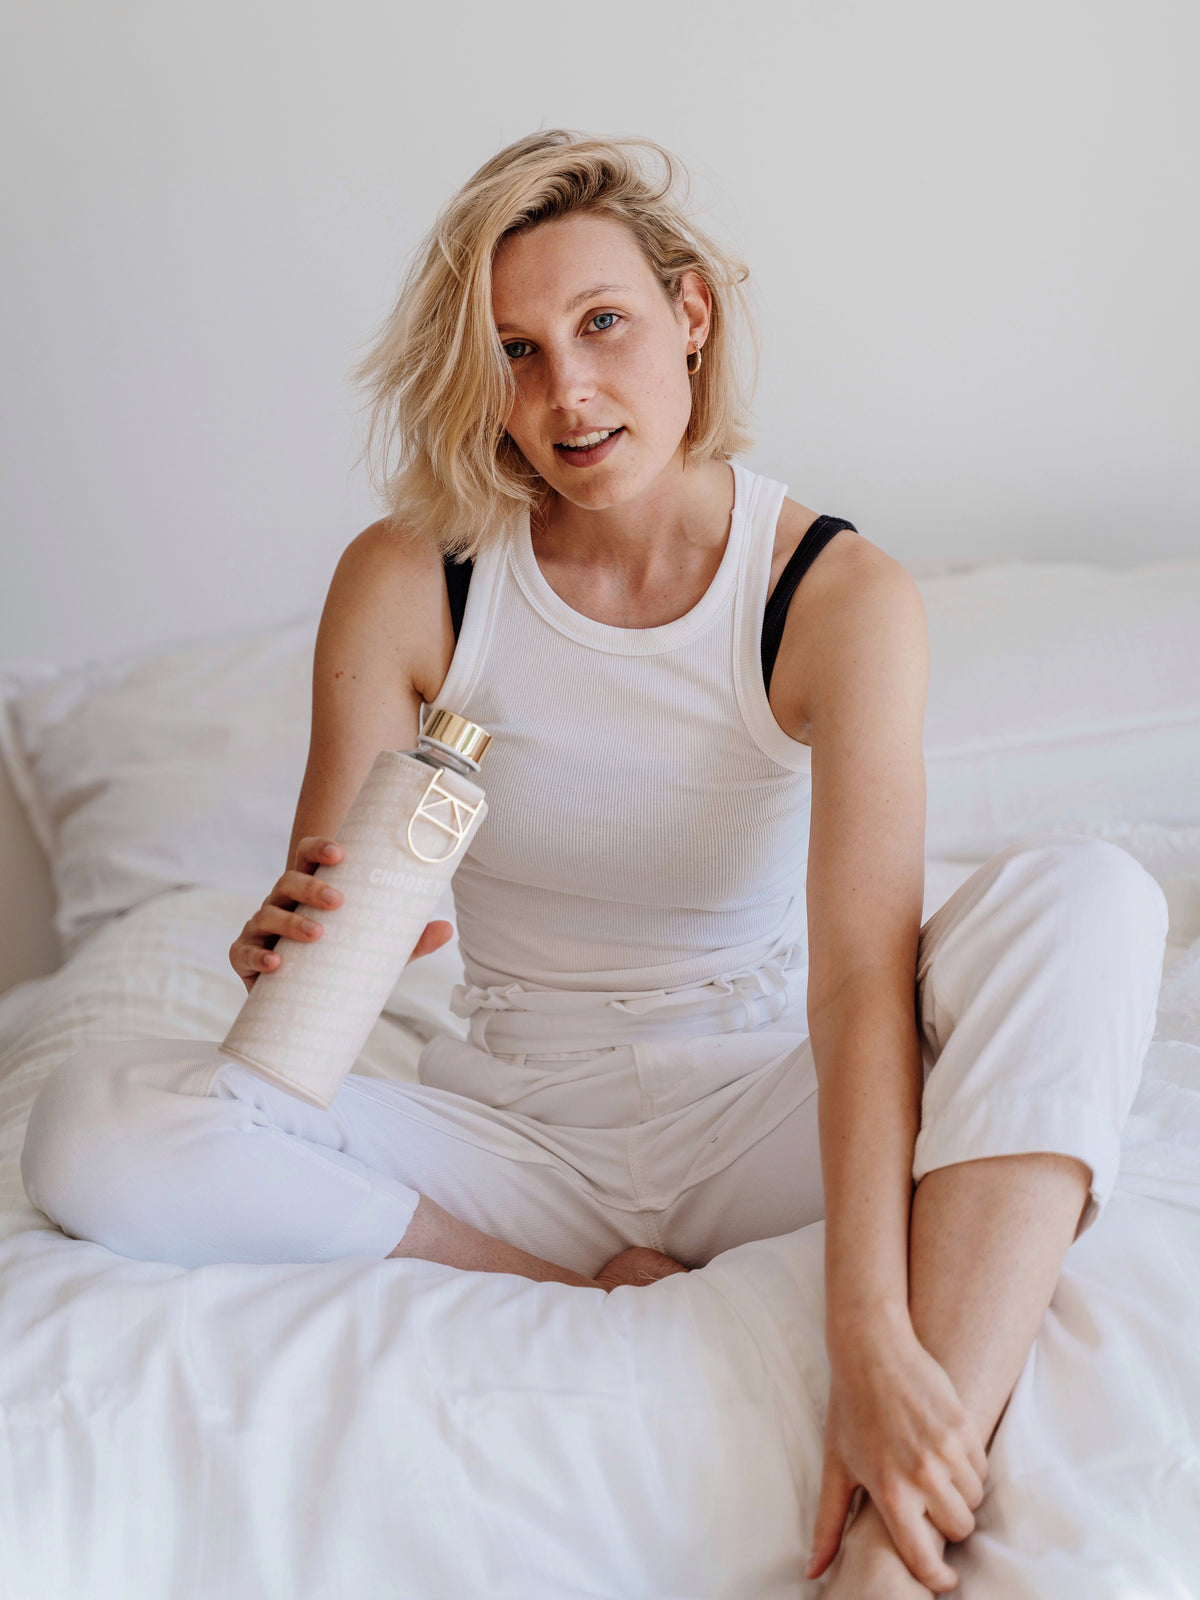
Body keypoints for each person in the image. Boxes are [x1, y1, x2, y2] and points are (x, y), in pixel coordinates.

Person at [21, 130, 1168, 1597]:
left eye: (601, 324)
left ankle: (892, 1530)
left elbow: (862, 983)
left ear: (690, 316)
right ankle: (580, 1292)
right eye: (514, 349)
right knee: (94, 1121)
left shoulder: (833, 595)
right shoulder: (412, 577)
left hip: (764, 1107)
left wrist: (866, 1328)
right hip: (519, 1140)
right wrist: (285, 950)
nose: (564, 391)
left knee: (1092, 898)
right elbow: (329, 960)